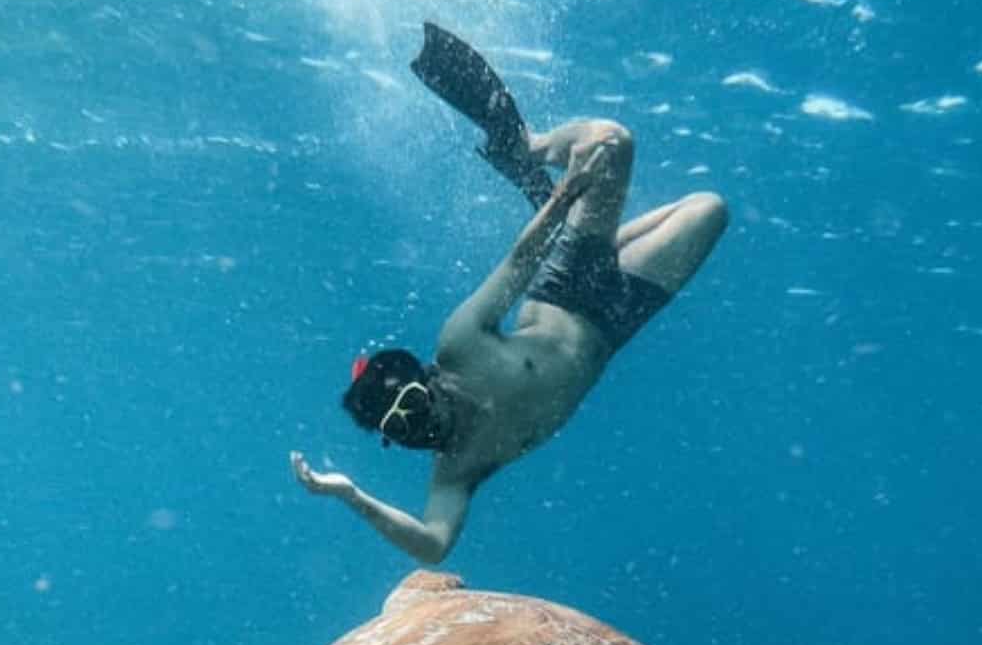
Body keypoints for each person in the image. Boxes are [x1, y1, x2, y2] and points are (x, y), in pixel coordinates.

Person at [291, 93, 727, 563]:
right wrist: (352, 496)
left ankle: (531, 146)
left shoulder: (459, 345)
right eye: (403, 428)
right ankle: (607, 242)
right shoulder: (458, 469)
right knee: (710, 209)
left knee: (613, 141)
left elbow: (519, 263)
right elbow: (433, 545)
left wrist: (565, 197)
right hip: (614, 324)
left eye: (413, 405)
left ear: (426, 380)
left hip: (569, 285)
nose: (423, 426)